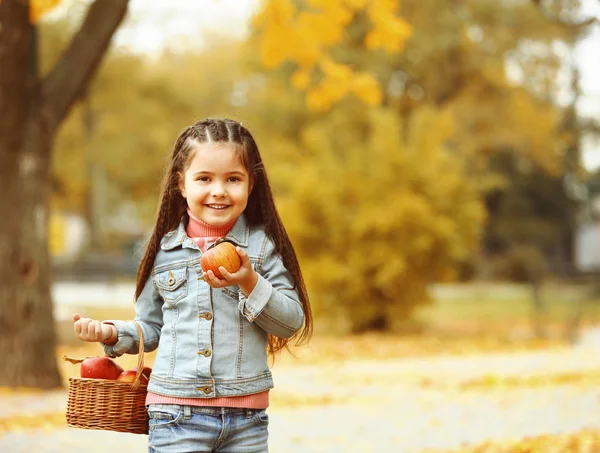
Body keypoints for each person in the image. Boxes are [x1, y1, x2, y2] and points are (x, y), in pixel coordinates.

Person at [72, 118, 313, 453]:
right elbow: (151, 326)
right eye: (204, 178)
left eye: (233, 179)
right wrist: (112, 333)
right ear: (181, 184)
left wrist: (248, 280)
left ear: (251, 182)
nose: (219, 190)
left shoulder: (261, 248)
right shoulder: (161, 249)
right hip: (175, 415)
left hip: (247, 418)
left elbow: (290, 322)